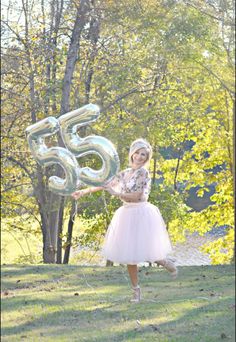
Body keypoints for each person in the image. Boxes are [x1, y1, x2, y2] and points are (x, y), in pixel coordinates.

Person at [72, 138, 177, 303]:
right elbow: (105, 184)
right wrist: (84, 192)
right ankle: (136, 291)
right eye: (138, 153)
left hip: (141, 212)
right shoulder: (125, 173)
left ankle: (165, 262)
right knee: (130, 255)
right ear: (132, 153)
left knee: (146, 248)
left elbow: (137, 196)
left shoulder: (144, 173)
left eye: (144, 155)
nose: (140, 157)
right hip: (126, 213)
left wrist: (116, 194)